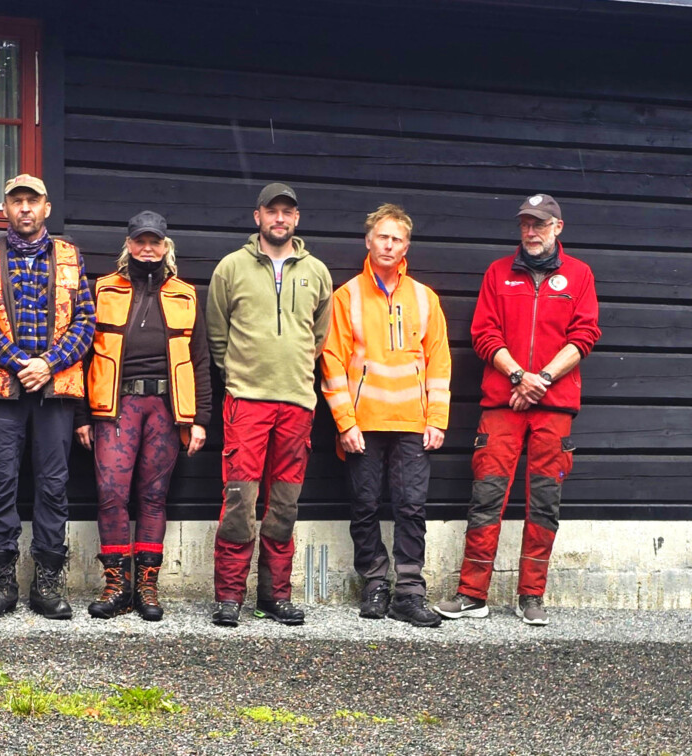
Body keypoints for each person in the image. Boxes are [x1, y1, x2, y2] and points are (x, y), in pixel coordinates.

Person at [435, 193, 600, 626]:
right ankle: (472, 594)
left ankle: (532, 596)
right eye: (525, 223)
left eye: (539, 224)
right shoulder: (497, 273)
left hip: (554, 405)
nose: (531, 231)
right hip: (503, 402)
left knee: (544, 502)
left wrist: (539, 379)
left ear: (557, 228)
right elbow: (484, 334)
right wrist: (517, 377)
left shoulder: (580, 275)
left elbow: (584, 336)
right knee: (486, 497)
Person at [0, 174, 95, 620]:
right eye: (16, 201)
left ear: (46, 208)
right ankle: (3, 583)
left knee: (53, 485)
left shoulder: (71, 255)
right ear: (5, 209)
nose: (25, 208)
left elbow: (85, 321)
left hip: (55, 390)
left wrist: (49, 363)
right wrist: (22, 362)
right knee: (0, 482)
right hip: (2, 389)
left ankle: (47, 583)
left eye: (32, 201)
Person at [206, 182, 333, 627]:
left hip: (296, 402)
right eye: (272, 211)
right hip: (247, 401)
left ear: (296, 219)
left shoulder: (317, 271)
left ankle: (274, 596)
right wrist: (239, 376)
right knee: (240, 500)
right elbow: (217, 334)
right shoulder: (231, 268)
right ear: (257, 216)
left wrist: (292, 372)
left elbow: (318, 336)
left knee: (284, 503)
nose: (280, 218)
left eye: (287, 212)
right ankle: (229, 596)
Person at [75, 211, 212, 621]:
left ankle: (147, 586)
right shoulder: (102, 290)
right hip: (115, 406)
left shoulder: (186, 294)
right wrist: (82, 414)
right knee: (111, 493)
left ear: (166, 247)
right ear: (129, 245)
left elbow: (201, 360)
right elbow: (84, 355)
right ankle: (117, 586)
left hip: (166, 408)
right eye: (140, 241)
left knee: (153, 497)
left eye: (155, 242)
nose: (147, 248)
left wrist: (200, 418)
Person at [320, 204, 451, 628]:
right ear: (368, 240)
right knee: (364, 505)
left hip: (413, 423)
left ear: (406, 246)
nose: (389, 245)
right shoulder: (347, 296)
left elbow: (439, 361)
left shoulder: (425, 298)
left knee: (411, 507)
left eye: (397, 239)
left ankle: (410, 592)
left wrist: (437, 418)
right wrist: (345, 422)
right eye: (382, 236)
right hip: (363, 424)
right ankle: (375, 583)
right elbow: (332, 360)